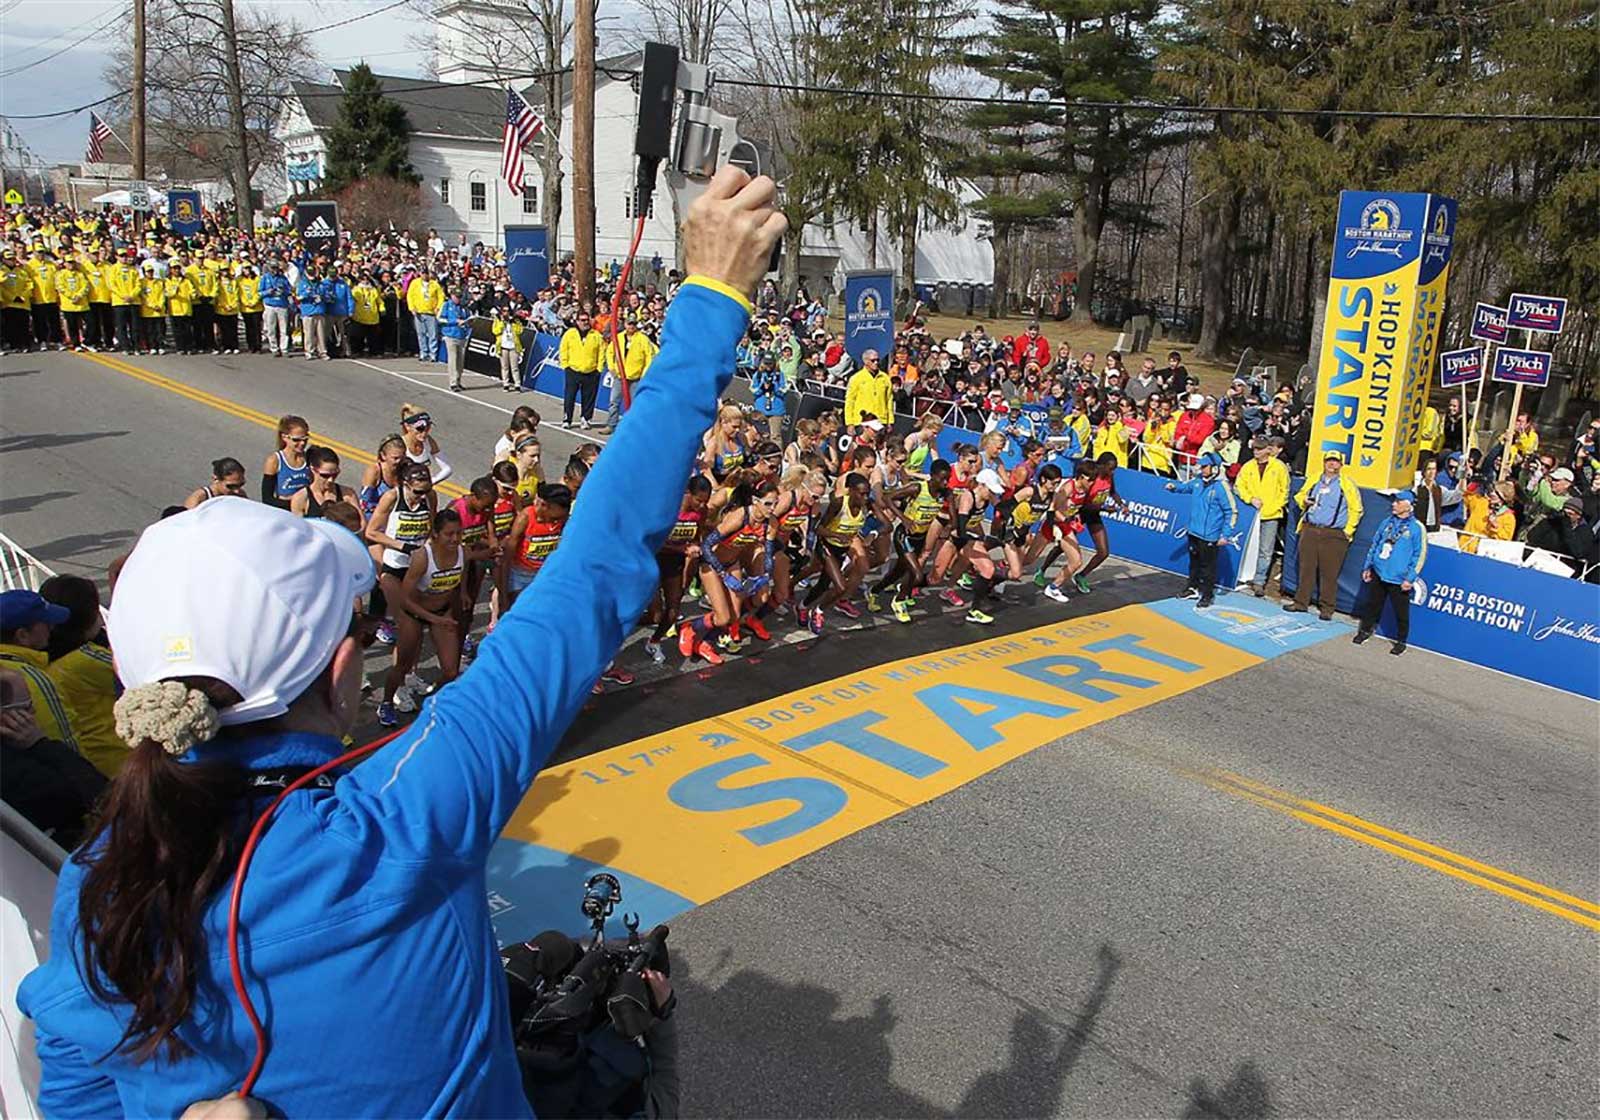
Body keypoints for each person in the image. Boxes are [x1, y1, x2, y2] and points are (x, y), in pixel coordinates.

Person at [1, 666, 107, 851]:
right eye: (26, 707)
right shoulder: (21, 774)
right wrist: (40, 744)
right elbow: (100, 793)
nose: (33, 713)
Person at [37, 575, 127, 779]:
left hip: (90, 756)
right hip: (116, 756)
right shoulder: (86, 660)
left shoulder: (44, 657)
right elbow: (136, 674)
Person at [1285, 449, 1363, 621]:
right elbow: (1299, 495)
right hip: (1311, 529)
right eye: (1329, 460)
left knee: (1329, 573)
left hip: (1334, 533)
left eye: (1335, 461)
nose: (1331, 464)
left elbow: (1356, 509)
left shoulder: (1347, 484)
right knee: (1306, 569)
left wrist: (1347, 532)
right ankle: (1301, 602)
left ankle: (1327, 607)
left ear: (1341, 465)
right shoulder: (1314, 479)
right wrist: (1303, 500)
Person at [0, 589, 79, 751]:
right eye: (44, 622)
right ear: (22, 635)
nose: (52, 627)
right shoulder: (33, 681)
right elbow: (66, 741)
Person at [1352, 490, 1427, 655]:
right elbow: (1375, 544)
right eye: (1394, 501)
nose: (1394, 504)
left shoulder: (1416, 528)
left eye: (1398, 502)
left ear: (1408, 505)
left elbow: (1419, 555)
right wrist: (1368, 566)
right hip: (1380, 572)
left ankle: (1401, 640)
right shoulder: (1387, 522)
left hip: (1399, 578)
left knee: (1401, 611)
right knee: (1372, 605)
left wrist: (1410, 578)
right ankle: (1365, 631)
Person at [1165, 451, 1238, 608]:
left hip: (1210, 536)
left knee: (1208, 567)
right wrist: (1173, 488)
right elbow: (1185, 487)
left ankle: (1207, 594)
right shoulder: (1197, 481)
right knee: (1194, 564)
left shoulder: (1221, 487)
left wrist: (1225, 535)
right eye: (1201, 466)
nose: (1202, 469)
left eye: (1205, 467)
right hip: (1194, 532)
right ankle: (1192, 588)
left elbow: (1231, 511)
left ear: (1215, 468)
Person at [1234, 437, 1290, 596]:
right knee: (1248, 545)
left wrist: (1273, 507)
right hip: (1251, 512)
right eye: (1254, 449)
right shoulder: (1248, 466)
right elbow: (1239, 486)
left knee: (1266, 549)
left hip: (1270, 514)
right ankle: (1244, 576)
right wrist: (1250, 499)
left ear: (1268, 450)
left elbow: (1284, 491)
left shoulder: (1279, 467)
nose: (1256, 452)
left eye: (1259, 449)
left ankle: (1259, 581)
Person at [559, 309, 606, 429]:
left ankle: (586, 419)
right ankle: (567, 419)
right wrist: (565, 365)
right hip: (573, 370)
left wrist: (599, 369)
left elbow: (602, 352)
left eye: (587, 320)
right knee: (569, 396)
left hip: (591, 372)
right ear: (577, 321)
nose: (585, 322)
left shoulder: (596, 335)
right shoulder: (570, 333)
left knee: (589, 397)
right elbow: (563, 349)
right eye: (582, 320)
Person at [289, 446, 362, 519]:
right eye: (325, 475)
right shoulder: (301, 498)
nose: (331, 480)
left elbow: (362, 524)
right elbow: (299, 527)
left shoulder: (347, 494)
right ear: (313, 470)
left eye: (335, 474)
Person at [261, 415, 311, 511]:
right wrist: (296, 504)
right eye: (296, 440)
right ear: (284, 437)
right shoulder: (275, 461)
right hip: (285, 511)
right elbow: (267, 499)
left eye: (305, 439)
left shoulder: (309, 458)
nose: (302, 443)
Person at [844, 349, 894, 427]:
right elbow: (850, 401)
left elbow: (889, 401)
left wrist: (890, 421)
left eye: (877, 360)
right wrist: (849, 423)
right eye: (873, 360)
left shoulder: (885, 378)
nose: (876, 363)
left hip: (881, 421)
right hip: (862, 421)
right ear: (865, 361)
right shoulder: (856, 378)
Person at [407, 269, 444, 362]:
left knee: (433, 334)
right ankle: (423, 352)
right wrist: (412, 308)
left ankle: (433, 354)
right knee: (421, 334)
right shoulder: (415, 283)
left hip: (431, 313)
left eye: (426, 273)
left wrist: (438, 308)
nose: (424, 275)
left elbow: (441, 297)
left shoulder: (435, 284)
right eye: (422, 273)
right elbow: (410, 296)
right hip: (419, 312)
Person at [440, 285, 472, 391]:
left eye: (460, 296)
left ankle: (458, 380)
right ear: (452, 295)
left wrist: (468, 323)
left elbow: (468, 318)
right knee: (453, 359)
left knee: (460, 361)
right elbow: (440, 319)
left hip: (462, 336)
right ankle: (453, 382)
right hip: (451, 335)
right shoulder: (446, 305)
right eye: (456, 296)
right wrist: (454, 322)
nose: (458, 299)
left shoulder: (463, 307)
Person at [185, 457, 249, 509]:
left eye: (241, 485)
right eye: (231, 486)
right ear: (215, 479)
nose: (237, 491)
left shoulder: (240, 496)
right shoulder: (198, 499)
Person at [259, 260, 292, 357]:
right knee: (271, 328)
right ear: (269, 268)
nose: (275, 270)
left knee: (284, 329)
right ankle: (274, 348)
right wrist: (268, 292)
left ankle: (284, 348)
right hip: (270, 305)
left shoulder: (283, 278)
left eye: (276, 268)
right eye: (273, 268)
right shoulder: (265, 278)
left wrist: (284, 291)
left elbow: (289, 290)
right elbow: (260, 292)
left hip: (282, 305)